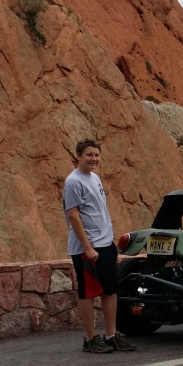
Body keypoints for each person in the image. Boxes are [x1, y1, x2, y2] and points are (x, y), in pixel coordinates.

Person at [63, 139, 136, 353]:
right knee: (88, 293)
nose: (94, 159)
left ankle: (111, 335)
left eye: (96, 155)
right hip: (88, 247)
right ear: (78, 156)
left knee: (110, 290)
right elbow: (73, 216)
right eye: (89, 155)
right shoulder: (73, 182)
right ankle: (90, 338)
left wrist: (109, 242)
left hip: (105, 243)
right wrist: (87, 247)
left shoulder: (94, 178)